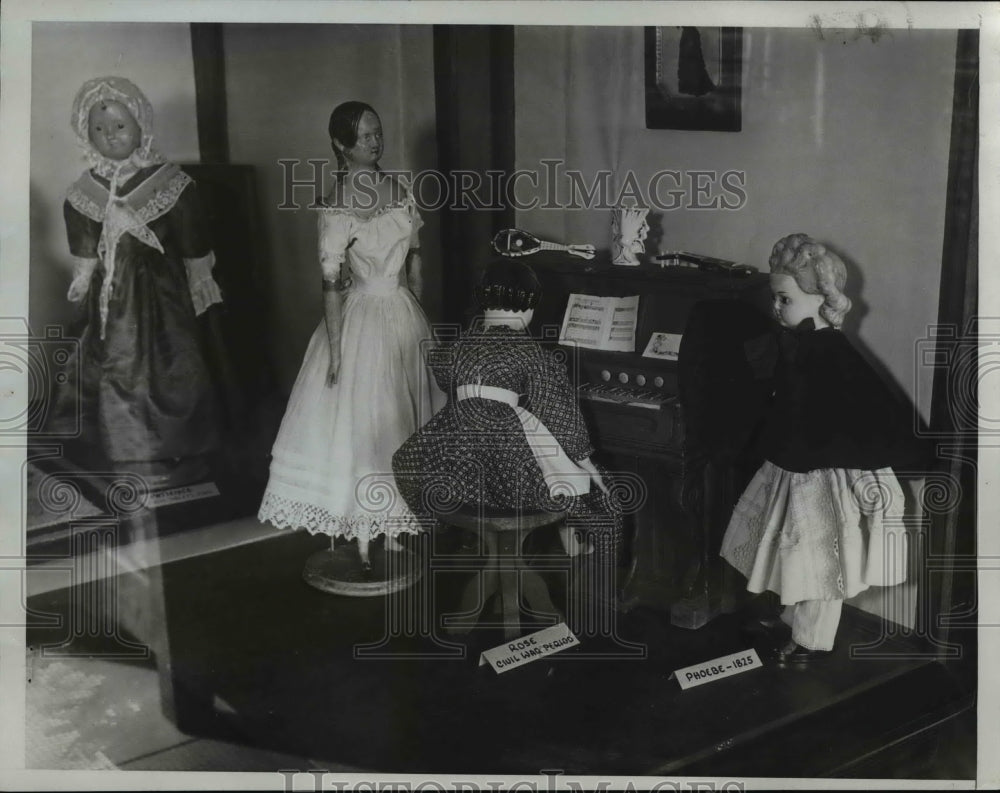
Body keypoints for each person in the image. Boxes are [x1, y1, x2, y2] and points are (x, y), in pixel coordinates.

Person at [719, 233, 927, 664]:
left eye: (784, 300)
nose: (775, 309)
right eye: (774, 299)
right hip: (796, 464)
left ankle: (810, 640)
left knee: (820, 559)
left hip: (828, 473)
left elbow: (863, 409)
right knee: (790, 549)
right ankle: (794, 615)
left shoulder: (830, 349)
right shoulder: (803, 343)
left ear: (818, 299)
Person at [258, 101, 443, 572]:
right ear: (341, 144)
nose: (375, 142)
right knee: (367, 424)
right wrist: (337, 352)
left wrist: (421, 313)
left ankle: (398, 525)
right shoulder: (336, 206)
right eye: (364, 137)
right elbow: (329, 285)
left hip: (403, 312)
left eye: (378, 133)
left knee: (405, 417)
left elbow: (416, 258)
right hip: (360, 319)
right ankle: (365, 529)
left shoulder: (399, 190)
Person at [391, 259, 623, 563]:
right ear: (529, 308)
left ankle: (443, 528)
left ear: (483, 303)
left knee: (405, 462)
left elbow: (445, 378)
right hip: (510, 480)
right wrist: (589, 466)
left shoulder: (457, 347)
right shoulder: (532, 353)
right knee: (596, 489)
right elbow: (561, 416)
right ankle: (598, 564)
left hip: (454, 473)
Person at [59, 76, 223, 483]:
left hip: (162, 297)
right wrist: (82, 277)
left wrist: (200, 280)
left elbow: (193, 242)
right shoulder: (84, 191)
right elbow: (84, 244)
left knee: (170, 367)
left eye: (120, 126)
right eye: (99, 129)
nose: (110, 136)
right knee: (116, 364)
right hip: (111, 298)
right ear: (86, 134)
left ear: (140, 126)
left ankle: (176, 448)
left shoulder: (170, 184)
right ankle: (127, 451)